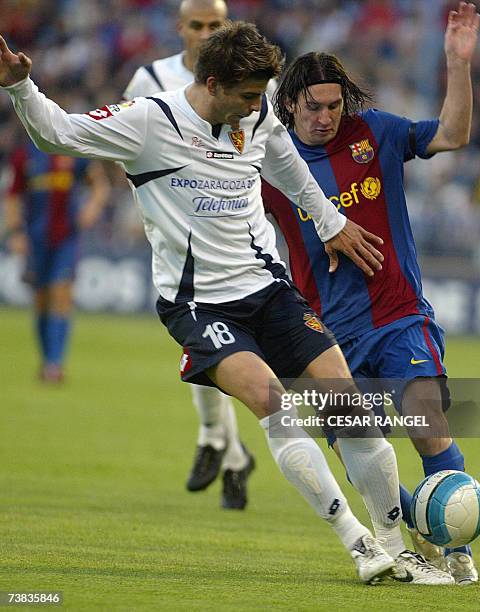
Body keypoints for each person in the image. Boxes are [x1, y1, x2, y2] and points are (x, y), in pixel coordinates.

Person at [0, 22, 419, 585]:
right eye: (247, 96)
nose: (257, 108)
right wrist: (20, 89)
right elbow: (58, 134)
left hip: (268, 289)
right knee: (276, 405)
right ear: (215, 83)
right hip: (199, 306)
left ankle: (398, 546)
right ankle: (360, 544)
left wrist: (329, 219)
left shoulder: (257, 110)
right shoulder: (150, 121)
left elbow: (284, 159)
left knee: (347, 408)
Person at [263, 1, 480, 585]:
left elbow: (455, 134)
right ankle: (421, 524)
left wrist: (457, 65)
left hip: (397, 315)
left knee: (425, 419)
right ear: (290, 104)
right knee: (364, 461)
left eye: (335, 106)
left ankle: (457, 548)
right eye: (313, 107)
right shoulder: (269, 166)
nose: (326, 118)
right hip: (325, 337)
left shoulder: (376, 133)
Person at [123, 0, 267, 511]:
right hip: (175, 230)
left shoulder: (248, 85)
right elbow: (127, 141)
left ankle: (220, 445)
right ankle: (223, 447)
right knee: (207, 341)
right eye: (198, 25)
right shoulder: (150, 78)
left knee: (218, 345)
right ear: (180, 28)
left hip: (231, 226)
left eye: (216, 26)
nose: (206, 34)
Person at [3, 138, 109, 382]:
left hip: (67, 239)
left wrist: (92, 208)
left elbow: (99, 184)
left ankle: (54, 364)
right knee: (41, 300)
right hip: (35, 239)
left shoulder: (72, 152)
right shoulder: (25, 155)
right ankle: (46, 359)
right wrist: (15, 231)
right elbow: (12, 195)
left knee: (61, 295)